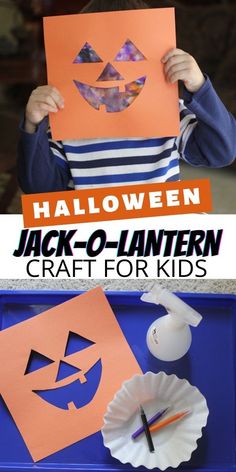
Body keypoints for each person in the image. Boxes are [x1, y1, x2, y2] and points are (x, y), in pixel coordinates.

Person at [17, 0, 236, 194]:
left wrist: (199, 87)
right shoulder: (66, 123)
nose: (110, 73)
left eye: (128, 55)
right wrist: (32, 125)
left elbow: (222, 152)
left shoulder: (169, 115)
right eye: (89, 56)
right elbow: (39, 190)